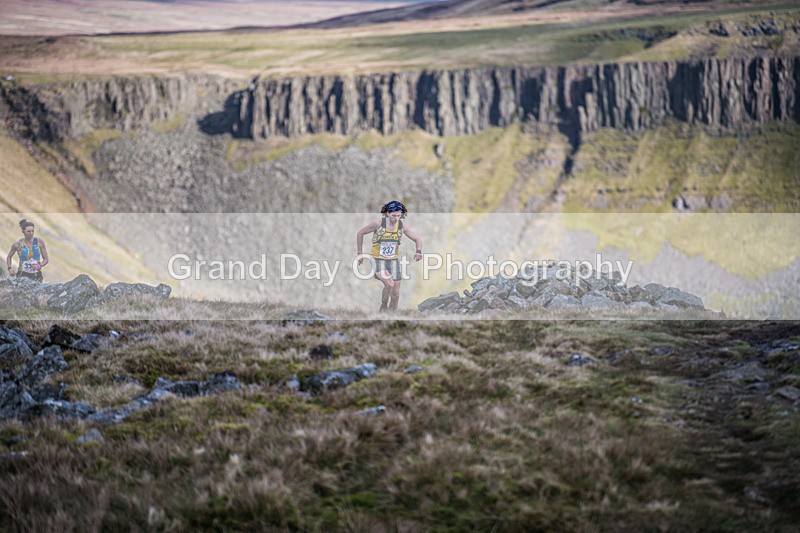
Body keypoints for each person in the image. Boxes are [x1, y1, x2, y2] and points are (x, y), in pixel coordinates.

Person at [356, 200, 423, 311]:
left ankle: (391, 316)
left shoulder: (402, 226)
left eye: (399, 216)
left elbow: (417, 239)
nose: (396, 218)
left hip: (393, 261)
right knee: (390, 284)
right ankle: (383, 305)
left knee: (396, 294)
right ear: (387, 213)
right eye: (394, 216)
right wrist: (360, 253)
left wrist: (419, 251)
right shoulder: (377, 224)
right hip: (377, 260)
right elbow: (360, 233)